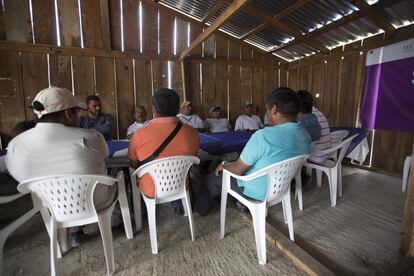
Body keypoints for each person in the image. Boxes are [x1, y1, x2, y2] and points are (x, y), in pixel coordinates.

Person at [5, 87, 117, 243]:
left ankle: (64, 242)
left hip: (50, 204)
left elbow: (15, 173)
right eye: (77, 112)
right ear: (68, 114)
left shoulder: (15, 145)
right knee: (115, 177)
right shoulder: (92, 138)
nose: (79, 116)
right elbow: (104, 156)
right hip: (93, 201)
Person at [194, 87, 311, 216]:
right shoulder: (304, 134)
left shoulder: (262, 136)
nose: (267, 113)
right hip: (282, 187)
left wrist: (224, 165)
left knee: (210, 179)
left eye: (267, 109)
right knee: (236, 162)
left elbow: (237, 170)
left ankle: (198, 211)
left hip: (256, 190)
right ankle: (241, 203)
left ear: (274, 109)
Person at [128, 88, 200, 199]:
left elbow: (134, 165)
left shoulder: (139, 134)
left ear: (153, 109)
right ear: (178, 109)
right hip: (181, 185)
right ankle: (178, 201)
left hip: (151, 189)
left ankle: (142, 211)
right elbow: (192, 159)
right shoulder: (192, 132)